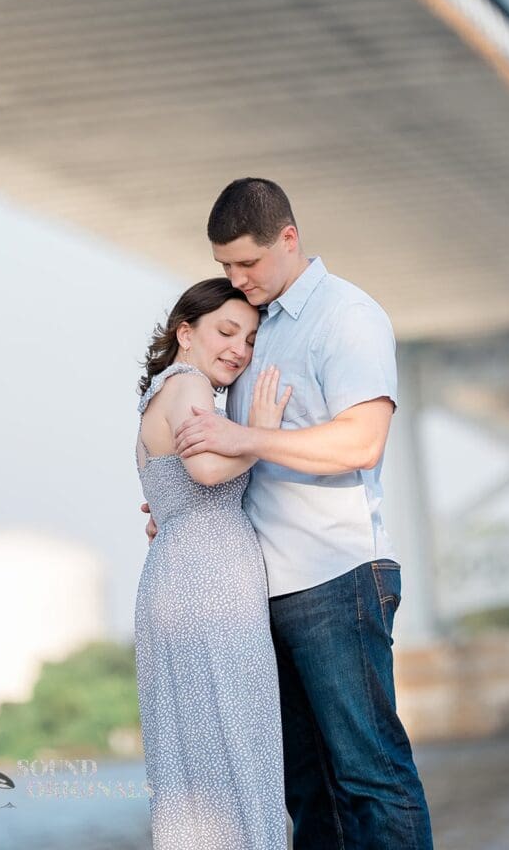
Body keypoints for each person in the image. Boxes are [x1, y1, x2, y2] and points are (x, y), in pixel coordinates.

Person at [143, 178, 434, 849]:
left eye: (247, 263)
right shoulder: (250, 332)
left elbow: (361, 440)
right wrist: (179, 504)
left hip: (334, 577)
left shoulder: (346, 316)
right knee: (306, 790)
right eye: (225, 268)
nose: (237, 279)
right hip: (255, 590)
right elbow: (219, 458)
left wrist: (250, 438)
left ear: (289, 239)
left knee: (370, 776)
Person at [134, 276, 291, 850]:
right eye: (226, 331)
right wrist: (263, 435)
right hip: (208, 585)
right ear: (186, 333)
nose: (239, 350)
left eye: (250, 339)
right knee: (235, 740)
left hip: (181, 576)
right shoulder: (190, 383)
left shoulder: (163, 392)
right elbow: (204, 471)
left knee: (194, 755)